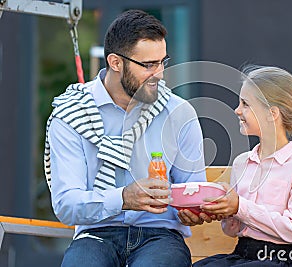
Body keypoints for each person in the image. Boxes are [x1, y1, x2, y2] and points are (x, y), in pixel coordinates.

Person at [44, 9, 206, 267]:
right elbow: (67, 205)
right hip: (96, 234)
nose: (160, 74)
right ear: (115, 62)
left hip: (160, 236)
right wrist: (123, 198)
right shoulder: (71, 114)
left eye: (162, 62)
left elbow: (192, 189)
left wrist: (193, 210)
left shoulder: (179, 112)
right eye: (148, 65)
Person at [193, 66, 292, 267]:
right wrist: (227, 214)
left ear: (272, 114)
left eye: (245, 104)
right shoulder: (242, 162)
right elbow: (234, 230)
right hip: (244, 255)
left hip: (283, 260)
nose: (237, 110)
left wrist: (240, 207)